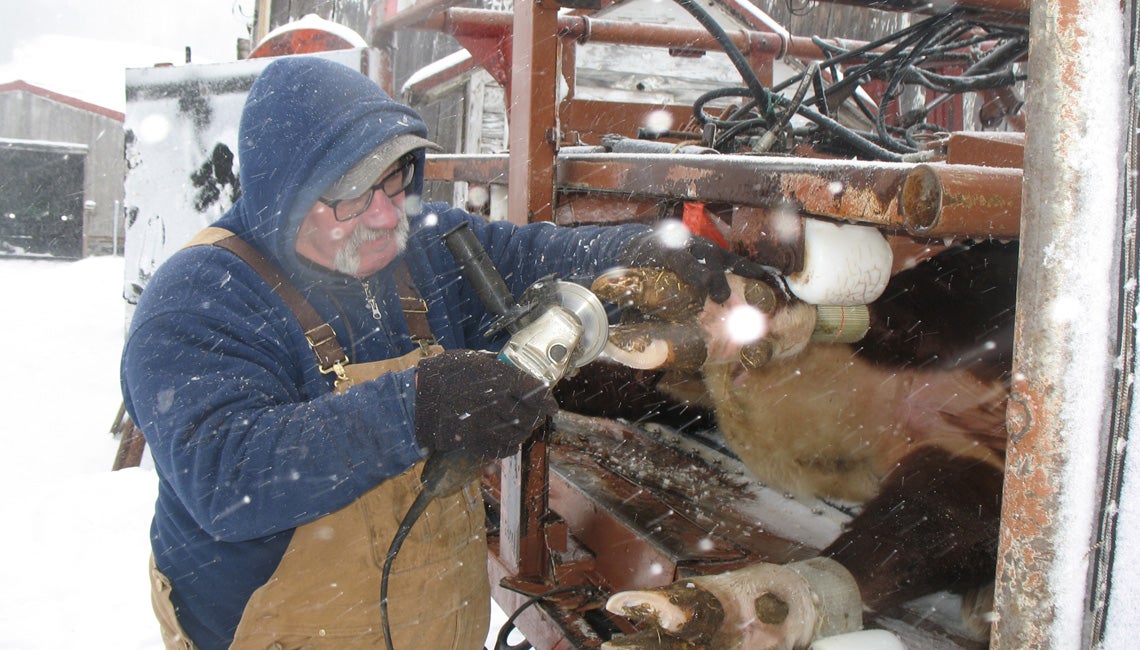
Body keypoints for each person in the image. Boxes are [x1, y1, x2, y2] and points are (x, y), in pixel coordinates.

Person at [121, 55, 762, 650]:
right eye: (349, 194)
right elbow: (228, 477)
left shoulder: (423, 249)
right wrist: (414, 409)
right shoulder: (199, 299)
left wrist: (643, 253)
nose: (382, 215)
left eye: (395, 180)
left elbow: (534, 258)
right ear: (282, 194)